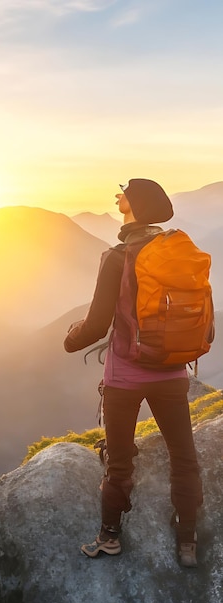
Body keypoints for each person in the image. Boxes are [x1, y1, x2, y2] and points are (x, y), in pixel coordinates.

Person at [64, 178, 203, 568]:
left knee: (121, 461)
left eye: (123, 193)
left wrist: (69, 340)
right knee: (184, 457)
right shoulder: (178, 248)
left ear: (134, 206)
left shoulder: (117, 257)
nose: (116, 196)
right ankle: (187, 541)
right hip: (173, 371)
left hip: (125, 377)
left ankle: (109, 537)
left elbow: (95, 326)